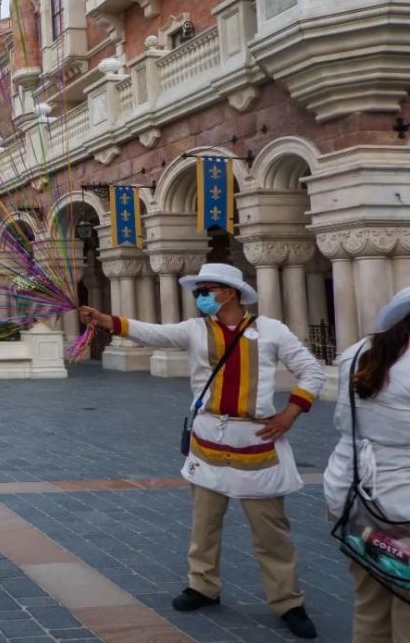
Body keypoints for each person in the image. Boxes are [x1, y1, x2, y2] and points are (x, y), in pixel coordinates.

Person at [79, 263, 325, 639]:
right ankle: (202, 586)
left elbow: (312, 371)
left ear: (229, 292)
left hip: (254, 440)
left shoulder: (271, 330)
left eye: (205, 291)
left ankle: (288, 601)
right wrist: (106, 320)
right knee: (204, 524)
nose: (200, 298)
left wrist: (291, 413)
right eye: (199, 292)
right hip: (208, 438)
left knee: (271, 531)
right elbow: (154, 333)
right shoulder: (195, 330)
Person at [323, 287, 410, 642]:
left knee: (369, 601)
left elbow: (343, 422)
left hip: (350, 494)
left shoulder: (356, 353)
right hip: (401, 504)